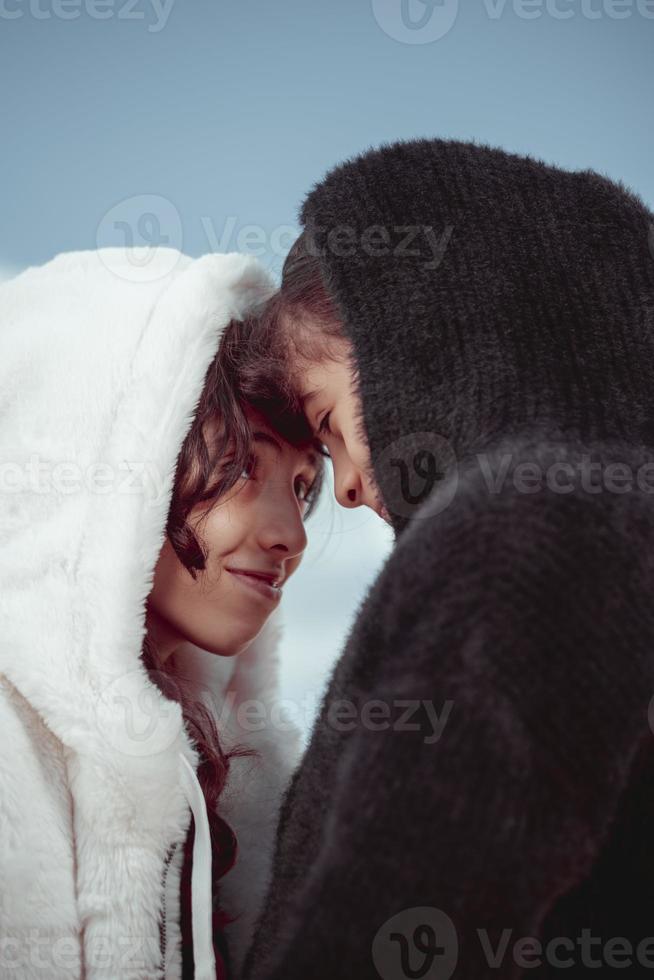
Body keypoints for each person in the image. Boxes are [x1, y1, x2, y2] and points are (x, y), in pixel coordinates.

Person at [241, 138, 654, 979]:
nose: (346, 492)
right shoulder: (614, 519)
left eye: (326, 426)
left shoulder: (521, 536)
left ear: (416, 343)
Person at [0, 247, 325, 980]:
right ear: (113, 462)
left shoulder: (226, 768)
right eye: (246, 467)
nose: (292, 534)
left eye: (302, 486)